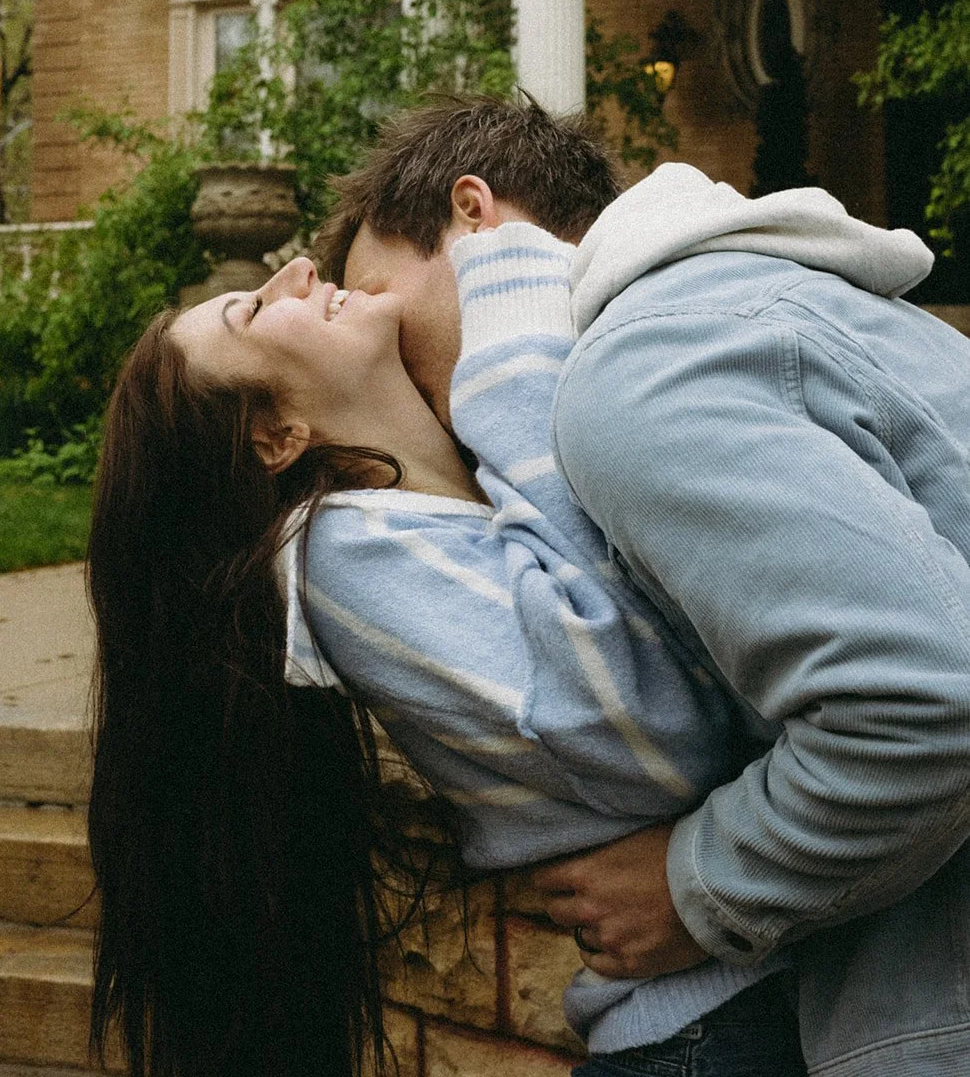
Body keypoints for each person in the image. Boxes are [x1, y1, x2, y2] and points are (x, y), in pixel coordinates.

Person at [85, 167, 808, 1077]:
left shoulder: (453, 494)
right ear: (275, 438)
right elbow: (658, 730)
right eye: (254, 311)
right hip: (701, 1033)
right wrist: (513, 371)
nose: (298, 272)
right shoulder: (339, 557)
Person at [323, 93, 970, 1077]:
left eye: (377, 292)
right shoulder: (742, 299)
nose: (384, 351)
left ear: (472, 215)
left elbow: (921, 703)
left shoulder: (639, 373)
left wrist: (693, 885)